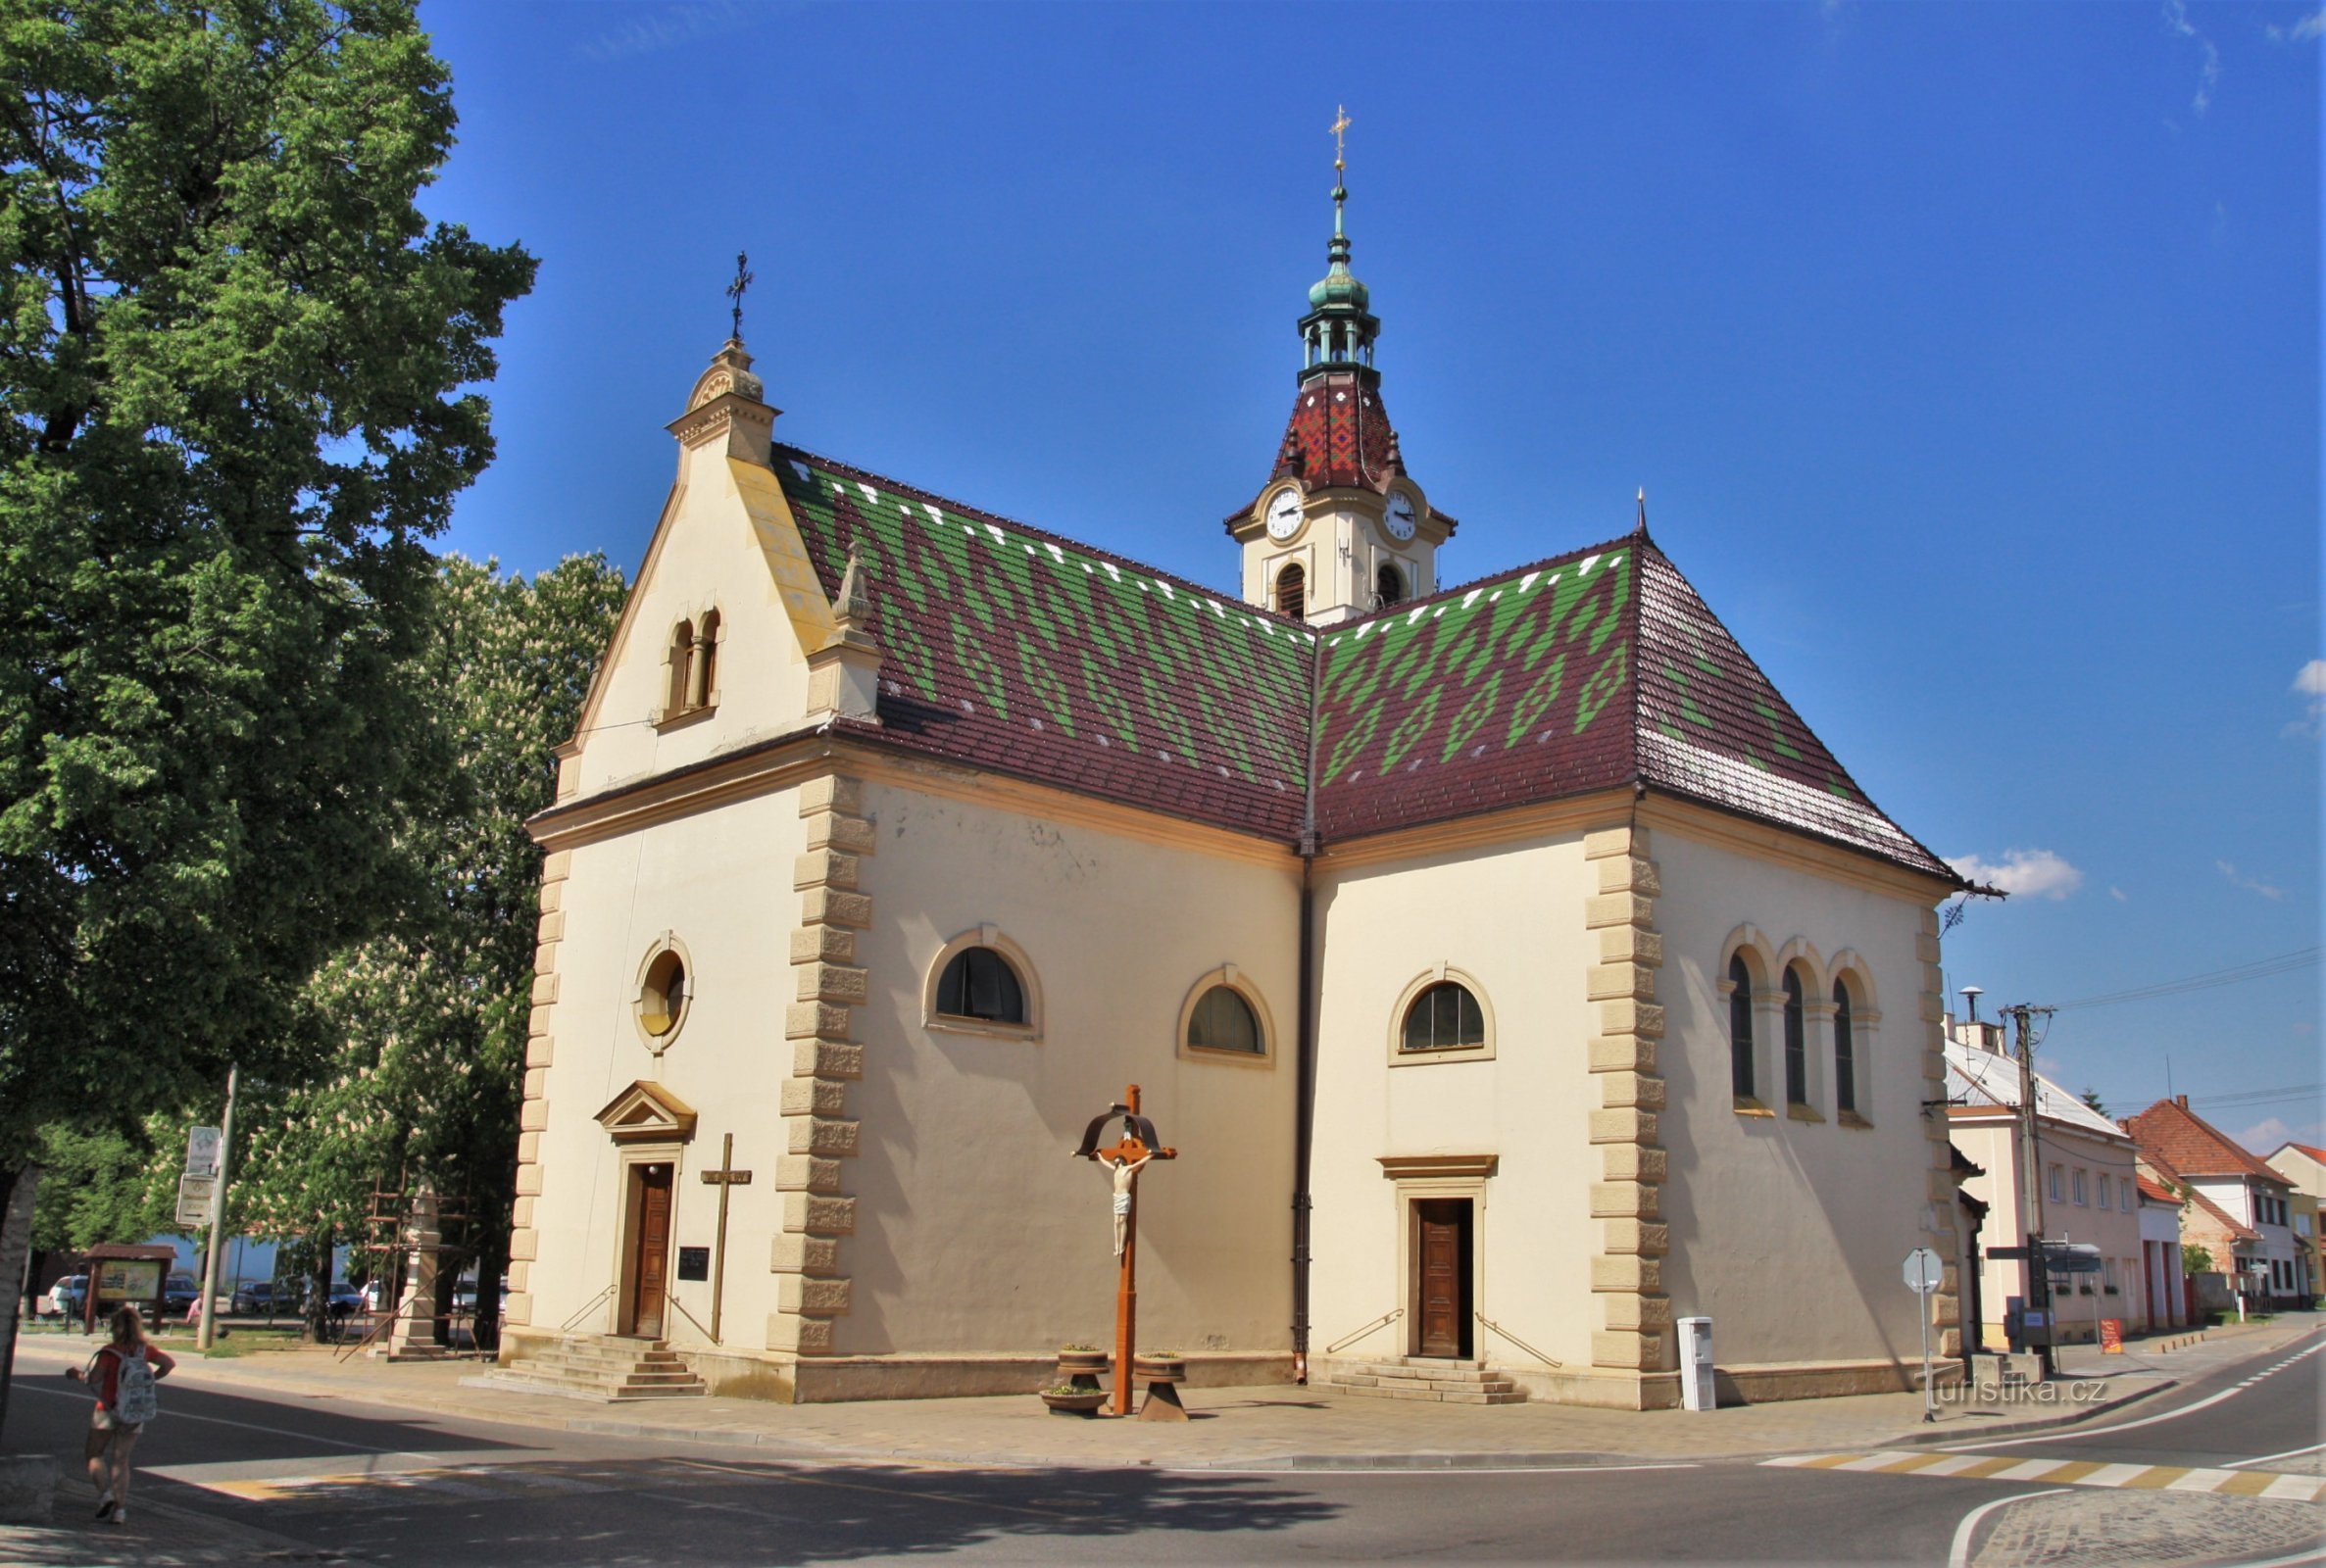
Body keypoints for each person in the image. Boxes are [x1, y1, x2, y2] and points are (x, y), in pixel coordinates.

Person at [65, 1304, 174, 1526]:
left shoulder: (109, 1352)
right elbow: (168, 1364)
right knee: (121, 1460)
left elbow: (92, 1379)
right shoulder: (145, 1351)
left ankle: (106, 1494)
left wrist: (75, 1374)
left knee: (94, 1454)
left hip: (107, 1409)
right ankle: (120, 1512)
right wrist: (150, 1379)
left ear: (115, 1327)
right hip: (134, 1411)